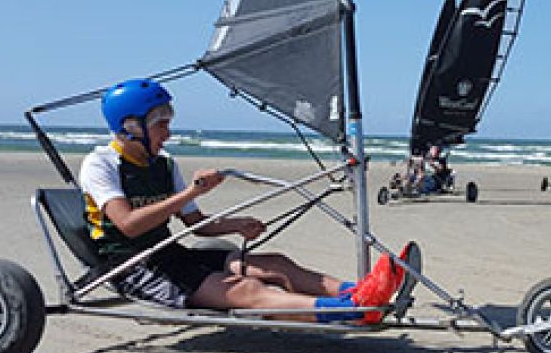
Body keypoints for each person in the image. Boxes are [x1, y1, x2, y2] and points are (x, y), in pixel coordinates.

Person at [78, 78, 411, 323]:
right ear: (130, 127)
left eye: (168, 122)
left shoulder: (164, 164)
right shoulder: (101, 164)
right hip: (131, 267)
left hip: (171, 253)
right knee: (246, 289)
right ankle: (350, 313)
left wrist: (237, 224)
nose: (167, 132)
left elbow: (196, 225)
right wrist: (192, 191)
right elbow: (128, 225)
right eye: (160, 124)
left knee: (275, 264)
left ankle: (362, 291)